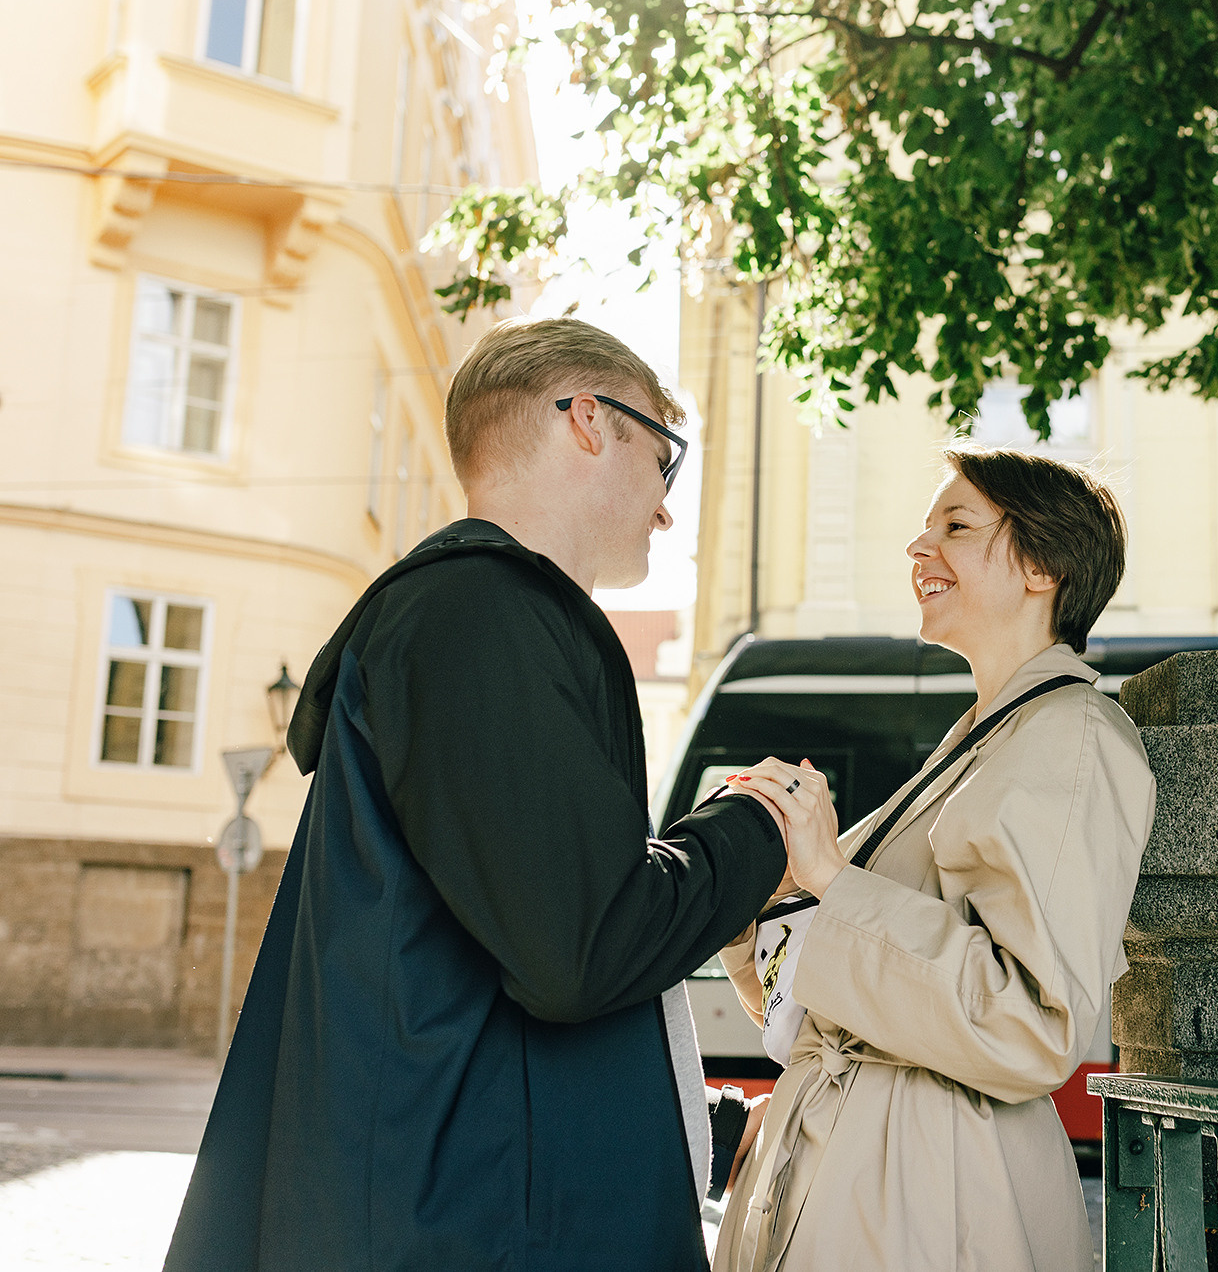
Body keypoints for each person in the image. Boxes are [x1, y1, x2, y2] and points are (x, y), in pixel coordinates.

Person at [165, 318, 789, 1272]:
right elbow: (583, 949)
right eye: (665, 459)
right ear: (588, 419)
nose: (667, 509)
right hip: (470, 1228)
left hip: (464, 1201)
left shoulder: (476, 617)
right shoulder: (478, 615)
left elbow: (482, 956)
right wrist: (757, 827)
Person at [712, 445, 1157, 1272]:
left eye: (955, 526)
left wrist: (829, 879)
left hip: (931, 1201)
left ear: (1042, 566)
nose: (919, 550)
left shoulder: (1073, 739)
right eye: (924, 530)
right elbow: (812, 997)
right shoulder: (980, 740)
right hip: (863, 1178)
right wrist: (761, 886)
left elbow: (1032, 1024)